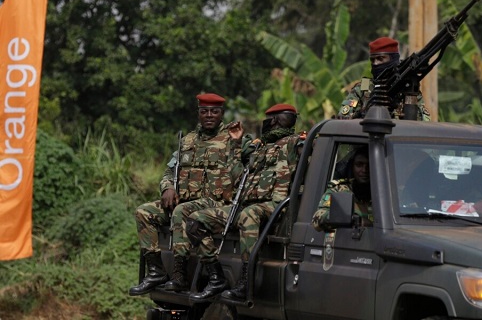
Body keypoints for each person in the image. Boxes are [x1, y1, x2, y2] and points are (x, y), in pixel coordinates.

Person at [129, 93, 245, 296]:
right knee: (143, 212)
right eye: (204, 111)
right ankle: (156, 272)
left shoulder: (234, 138)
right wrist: (167, 188)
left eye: (214, 111)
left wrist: (236, 145)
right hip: (185, 199)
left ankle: (179, 275)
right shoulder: (187, 140)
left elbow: (241, 176)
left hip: (214, 202)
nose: (209, 115)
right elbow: (169, 171)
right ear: (199, 114)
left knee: (181, 211)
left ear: (221, 114)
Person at [186, 104, 304, 303]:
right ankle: (216, 277)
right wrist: (236, 143)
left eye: (280, 118)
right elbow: (236, 176)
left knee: (248, 214)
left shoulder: (293, 142)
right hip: (244, 205)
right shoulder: (258, 148)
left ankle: (245, 280)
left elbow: (311, 148)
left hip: (274, 206)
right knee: (195, 221)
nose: (273, 123)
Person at [337, 36, 430, 121]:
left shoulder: (407, 90)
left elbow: (423, 124)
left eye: (380, 59)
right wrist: (363, 113)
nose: (375, 63)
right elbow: (344, 119)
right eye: (373, 60)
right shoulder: (363, 87)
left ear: (393, 60)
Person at [312, 146, 371, 232]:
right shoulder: (339, 190)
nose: (364, 170)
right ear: (352, 167)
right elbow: (317, 219)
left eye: (369, 166)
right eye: (359, 165)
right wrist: (354, 220)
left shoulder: (387, 193)